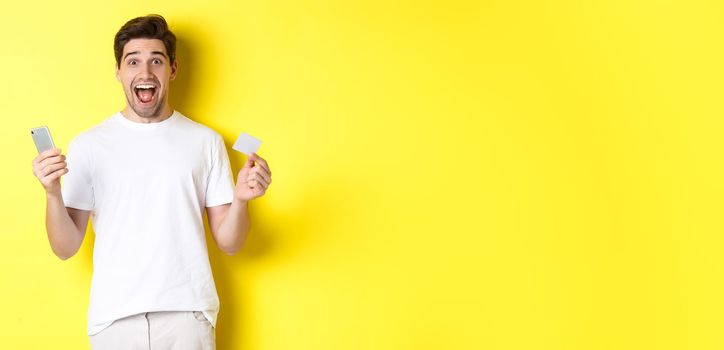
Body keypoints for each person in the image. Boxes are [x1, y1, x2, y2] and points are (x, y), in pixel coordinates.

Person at [31, 14, 271, 350]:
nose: (145, 73)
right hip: (114, 319)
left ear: (172, 69)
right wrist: (52, 193)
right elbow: (65, 247)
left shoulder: (205, 142)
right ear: (118, 71)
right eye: (133, 62)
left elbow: (230, 242)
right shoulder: (89, 145)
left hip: (187, 315)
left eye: (156, 61)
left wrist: (242, 199)